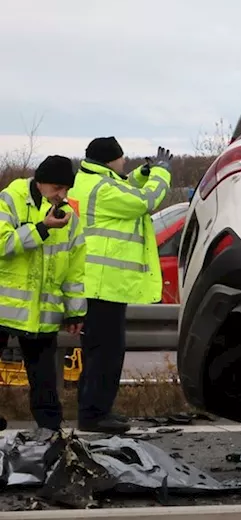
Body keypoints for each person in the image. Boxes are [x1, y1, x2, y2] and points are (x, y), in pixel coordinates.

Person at [67, 137, 171, 434]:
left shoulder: (89, 181)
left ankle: (93, 410)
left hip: (97, 283)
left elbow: (125, 187)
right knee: (106, 354)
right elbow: (144, 202)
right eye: (122, 158)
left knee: (97, 352)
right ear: (110, 160)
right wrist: (162, 173)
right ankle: (95, 415)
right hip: (105, 284)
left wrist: (143, 173)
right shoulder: (103, 189)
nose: (125, 162)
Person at [0, 155, 86, 432]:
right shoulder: (10, 199)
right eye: (57, 188)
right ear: (39, 183)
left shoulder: (68, 216)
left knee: (44, 377)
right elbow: (2, 244)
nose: (61, 195)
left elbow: (75, 267)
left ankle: (51, 432)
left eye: (66, 189)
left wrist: (75, 309)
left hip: (43, 311)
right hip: (3, 304)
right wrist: (41, 229)